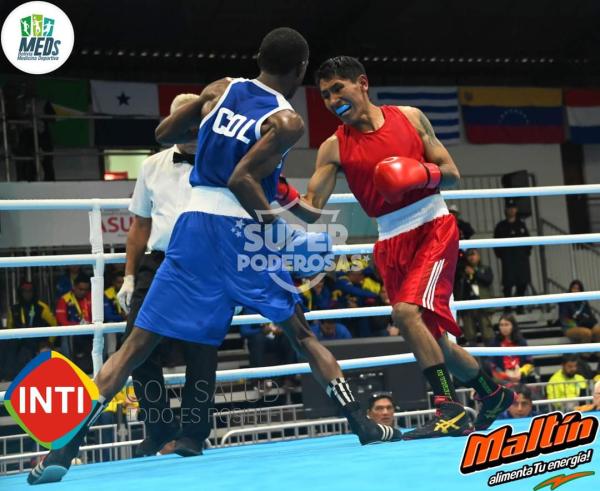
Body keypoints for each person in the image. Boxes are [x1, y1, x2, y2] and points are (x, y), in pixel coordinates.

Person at [28, 28, 399, 486]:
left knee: (135, 346)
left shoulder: (221, 88)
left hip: (193, 227)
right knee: (300, 333)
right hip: (241, 231)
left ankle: (62, 448)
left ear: (258, 57)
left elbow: (164, 133)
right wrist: (279, 232)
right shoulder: (286, 122)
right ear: (300, 70)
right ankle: (362, 424)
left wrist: (201, 108)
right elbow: (244, 178)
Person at [285, 55, 515, 439]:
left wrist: (419, 174)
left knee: (406, 314)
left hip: (432, 227)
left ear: (362, 83)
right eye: (324, 95)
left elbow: (453, 174)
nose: (331, 99)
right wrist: (272, 191)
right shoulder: (333, 148)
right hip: (390, 240)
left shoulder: (409, 117)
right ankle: (491, 395)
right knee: (434, 340)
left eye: (337, 88)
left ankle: (450, 411)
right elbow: (311, 208)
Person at [111, 93, 221, 459]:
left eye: (196, 124)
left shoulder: (224, 162)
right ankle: (159, 428)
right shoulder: (152, 166)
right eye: (182, 124)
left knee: (201, 354)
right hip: (158, 264)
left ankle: (193, 434)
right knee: (134, 351)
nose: (189, 131)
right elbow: (140, 224)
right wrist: (129, 276)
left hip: (208, 265)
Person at [1, 281, 57, 380]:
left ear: (34, 292)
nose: (27, 293)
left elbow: (54, 324)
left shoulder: (42, 307)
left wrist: (49, 341)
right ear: (20, 293)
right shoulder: (14, 309)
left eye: (30, 291)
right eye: (25, 291)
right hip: (20, 342)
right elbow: (9, 329)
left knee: (45, 351)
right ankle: (8, 376)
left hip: (39, 340)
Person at [493, 199, 532, 305]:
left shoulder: (521, 225)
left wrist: (525, 254)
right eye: (509, 208)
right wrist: (502, 256)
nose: (511, 210)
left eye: (513, 208)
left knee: (522, 283)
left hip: (521, 260)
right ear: (506, 210)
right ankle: (508, 308)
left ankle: (520, 307)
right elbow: (496, 244)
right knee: (508, 284)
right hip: (508, 260)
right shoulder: (501, 226)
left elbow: (528, 242)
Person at [455, 249, 494, 346]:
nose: (471, 257)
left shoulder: (485, 268)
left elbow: (488, 280)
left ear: (479, 256)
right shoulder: (461, 271)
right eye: (468, 255)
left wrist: (475, 273)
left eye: (473, 254)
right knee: (470, 335)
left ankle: (490, 360)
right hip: (467, 306)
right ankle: (474, 360)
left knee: (487, 334)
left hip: (483, 304)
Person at [55, 274, 93, 373]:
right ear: (74, 287)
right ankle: (69, 368)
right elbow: (61, 320)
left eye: (85, 289)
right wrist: (76, 326)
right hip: (73, 331)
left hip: (89, 330)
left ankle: (101, 365)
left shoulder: (91, 297)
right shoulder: (64, 299)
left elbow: (99, 316)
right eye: (80, 289)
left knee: (103, 330)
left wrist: (91, 324)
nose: (83, 292)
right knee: (66, 334)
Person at [488, 315, 534, 384]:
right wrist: (506, 375)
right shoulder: (495, 343)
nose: (504, 328)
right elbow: (492, 365)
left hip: (520, 379)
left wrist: (520, 372)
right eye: (501, 325)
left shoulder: (521, 342)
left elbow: (530, 364)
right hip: (502, 381)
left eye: (506, 325)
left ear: (513, 326)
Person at [559, 279, 600, 345]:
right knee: (586, 333)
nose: (576, 291)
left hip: (586, 325)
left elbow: (590, 315)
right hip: (570, 328)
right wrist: (577, 324)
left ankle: (597, 354)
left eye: (578, 289)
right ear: (570, 289)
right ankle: (585, 355)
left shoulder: (583, 301)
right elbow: (564, 320)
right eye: (574, 288)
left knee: (598, 331)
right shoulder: (565, 302)